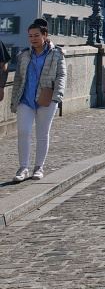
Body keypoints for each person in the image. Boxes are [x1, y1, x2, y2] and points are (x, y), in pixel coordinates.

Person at [9, 19, 66, 182]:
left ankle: (38, 167)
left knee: (42, 134)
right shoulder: (24, 54)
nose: (33, 39)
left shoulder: (57, 53)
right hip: (25, 99)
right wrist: (15, 100)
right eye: (30, 36)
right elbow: (19, 79)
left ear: (45, 35)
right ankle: (23, 168)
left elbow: (62, 75)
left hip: (46, 98)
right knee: (24, 132)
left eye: (36, 35)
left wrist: (57, 96)